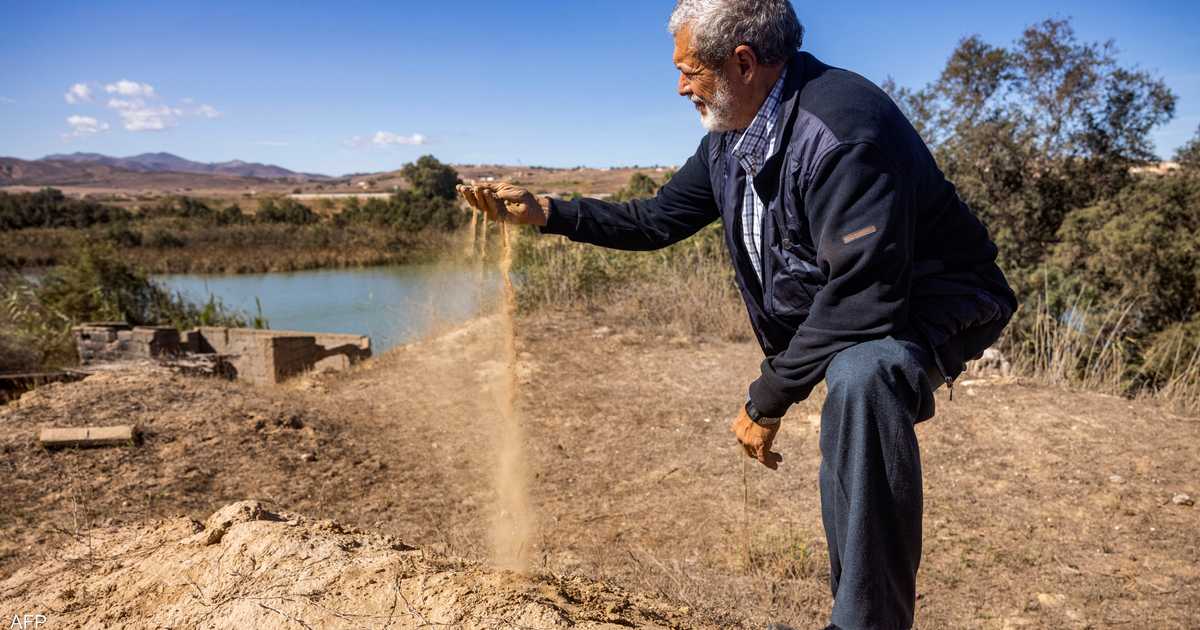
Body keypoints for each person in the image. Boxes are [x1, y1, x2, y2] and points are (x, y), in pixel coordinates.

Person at [458, 1, 1016, 628]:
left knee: (866, 377)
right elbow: (657, 218)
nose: (679, 86)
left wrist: (767, 398)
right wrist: (549, 213)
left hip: (937, 296)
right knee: (853, 388)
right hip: (861, 299)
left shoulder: (844, 132)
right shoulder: (731, 140)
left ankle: (867, 620)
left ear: (743, 63)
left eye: (689, 70)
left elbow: (864, 297)